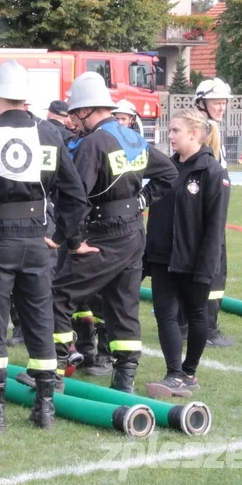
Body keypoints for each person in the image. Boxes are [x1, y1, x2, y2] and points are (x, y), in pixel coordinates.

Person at [0, 59, 88, 432]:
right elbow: (76, 197)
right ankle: (44, 410)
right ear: (27, 98)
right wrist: (59, 238)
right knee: (40, 322)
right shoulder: (51, 134)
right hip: (39, 239)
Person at [50, 72, 177, 392]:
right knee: (123, 305)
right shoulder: (131, 136)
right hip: (134, 233)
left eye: (73, 114)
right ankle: (124, 382)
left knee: (58, 295)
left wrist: (73, 241)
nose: (72, 121)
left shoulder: (93, 143)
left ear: (84, 111)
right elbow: (169, 173)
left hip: (105, 233)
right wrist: (141, 200)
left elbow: (75, 197)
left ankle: (53, 370)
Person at [143, 108, 230, 398]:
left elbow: (215, 227)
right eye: (169, 131)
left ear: (194, 134)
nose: (170, 136)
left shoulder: (212, 172)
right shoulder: (166, 168)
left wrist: (206, 268)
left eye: (175, 131)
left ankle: (189, 372)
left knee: (196, 315)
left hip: (193, 261)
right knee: (165, 315)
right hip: (161, 257)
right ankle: (173, 374)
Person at [183, 77, 234, 348]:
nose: (221, 107)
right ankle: (208, 329)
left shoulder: (193, 128)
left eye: (224, 102)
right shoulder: (207, 130)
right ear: (202, 103)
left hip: (195, 212)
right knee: (214, 270)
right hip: (206, 213)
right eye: (216, 102)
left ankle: (186, 323)